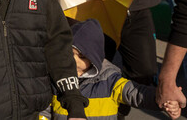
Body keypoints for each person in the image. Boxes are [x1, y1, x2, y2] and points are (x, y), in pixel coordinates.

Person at [41, 19, 180, 119]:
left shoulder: (111, 80)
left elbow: (138, 94)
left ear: (95, 58)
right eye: (69, 53)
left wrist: (165, 99)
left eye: (82, 56)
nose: (74, 61)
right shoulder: (57, 80)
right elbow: (45, 110)